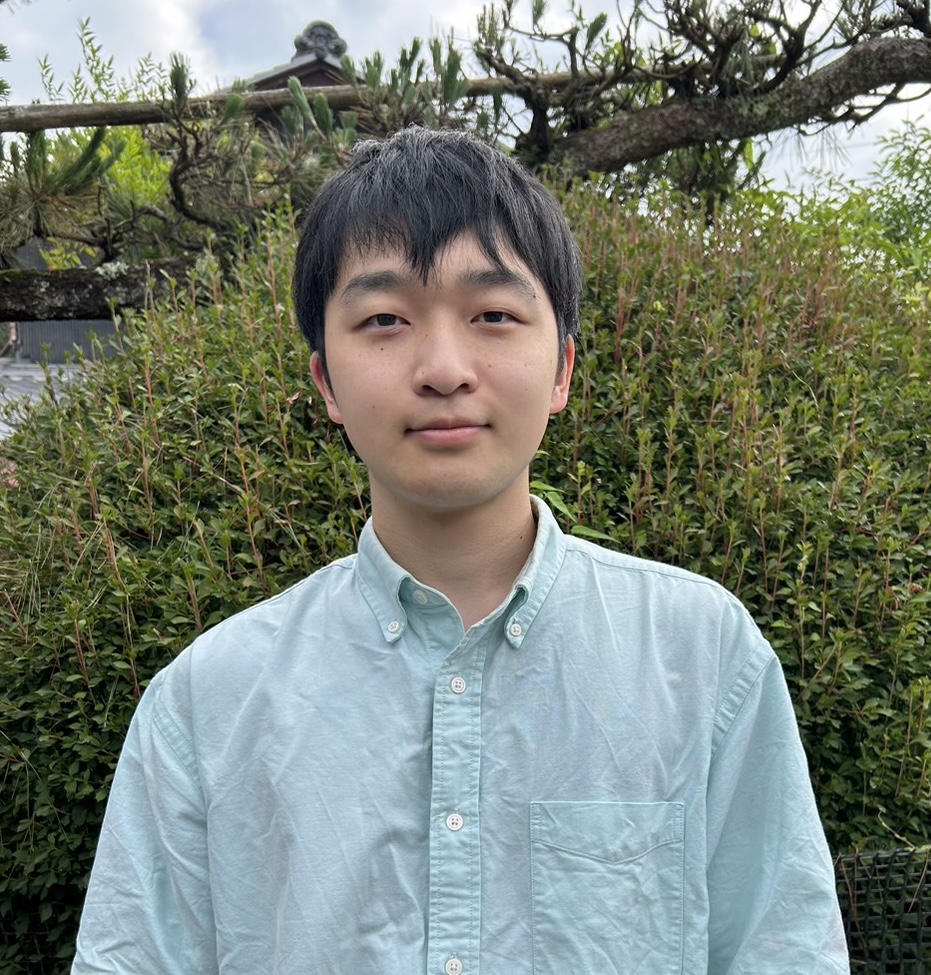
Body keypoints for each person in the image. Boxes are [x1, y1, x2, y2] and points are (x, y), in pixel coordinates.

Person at [72, 127, 849, 974]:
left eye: (493, 315)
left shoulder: (700, 656)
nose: (443, 368)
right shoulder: (205, 702)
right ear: (325, 381)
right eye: (384, 319)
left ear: (562, 369)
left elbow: (784, 949)